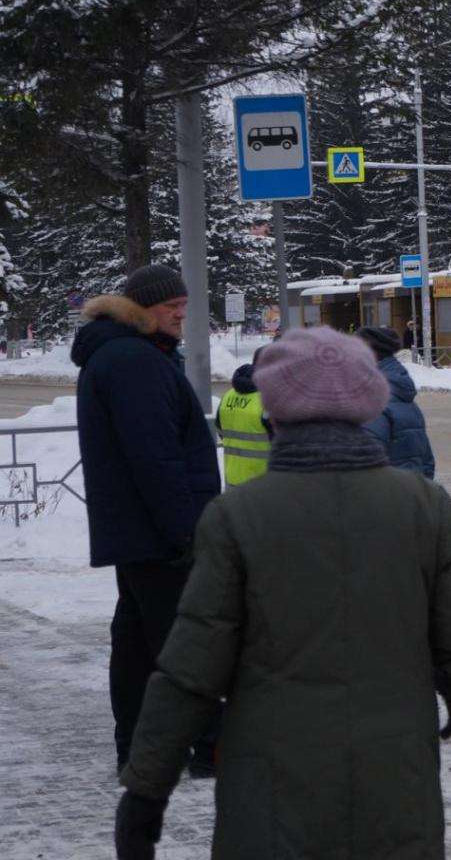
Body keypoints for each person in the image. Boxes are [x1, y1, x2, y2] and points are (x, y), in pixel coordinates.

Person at [113, 328, 451, 860]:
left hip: (270, 797)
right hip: (395, 787)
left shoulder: (237, 518)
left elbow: (191, 671)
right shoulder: (424, 509)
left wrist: (146, 790)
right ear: (366, 407)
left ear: (271, 414)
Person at [72, 264, 221, 778]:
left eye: (183, 304)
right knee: (185, 642)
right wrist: (186, 532)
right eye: (170, 307)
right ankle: (208, 747)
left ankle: (142, 750)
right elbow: (154, 457)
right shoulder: (135, 361)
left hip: (139, 531)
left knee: (138, 643)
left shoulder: (124, 354)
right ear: (139, 310)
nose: (182, 313)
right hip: (162, 534)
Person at [358, 326, 436, 477]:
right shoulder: (403, 396)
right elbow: (426, 461)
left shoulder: (375, 401)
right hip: (410, 492)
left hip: (385, 497)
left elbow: (365, 466)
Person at [214, 362, 270, 487]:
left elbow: (220, 430)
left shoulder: (227, 397)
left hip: (233, 477)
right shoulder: (265, 401)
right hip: (260, 480)